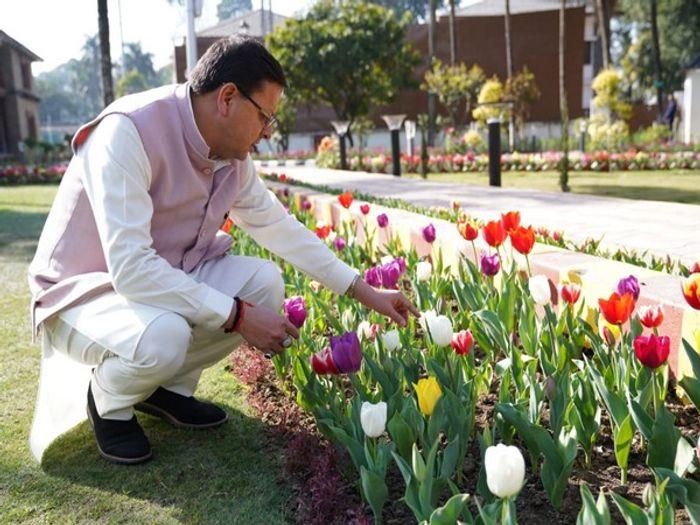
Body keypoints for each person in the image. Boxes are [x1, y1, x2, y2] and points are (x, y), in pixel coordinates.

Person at [27, 36, 419, 465]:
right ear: (228, 98)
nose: (267, 132)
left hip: (156, 283)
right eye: (265, 116)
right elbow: (132, 270)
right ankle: (109, 400)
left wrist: (366, 292)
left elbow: (278, 226)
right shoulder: (129, 131)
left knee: (263, 283)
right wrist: (237, 316)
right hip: (81, 294)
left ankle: (166, 390)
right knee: (168, 334)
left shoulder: (231, 158)